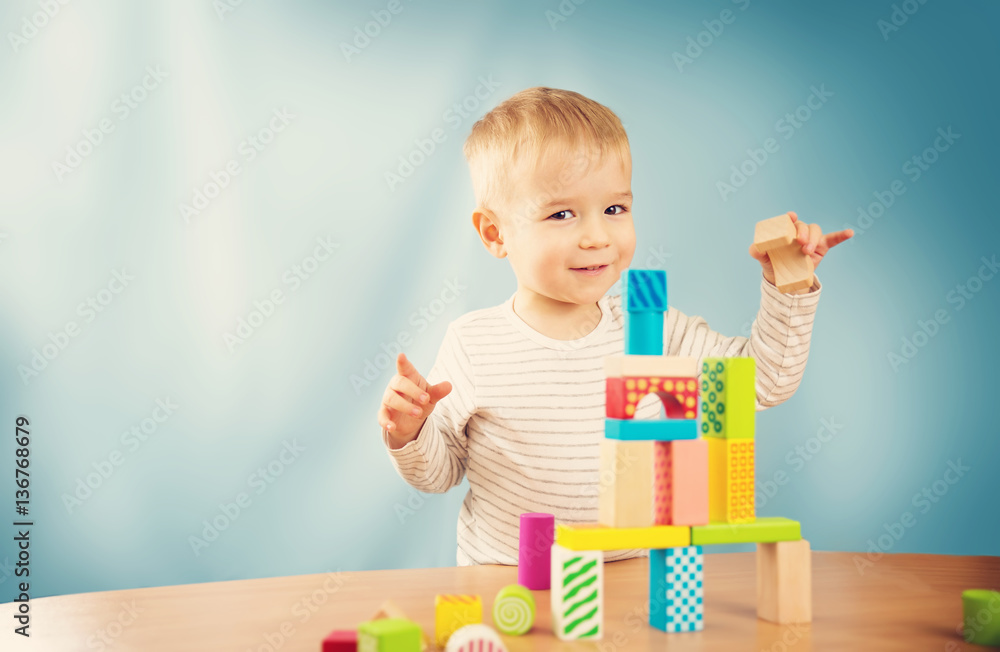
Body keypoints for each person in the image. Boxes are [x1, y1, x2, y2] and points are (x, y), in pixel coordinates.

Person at [377, 87, 852, 565]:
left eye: (615, 209)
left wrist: (788, 284)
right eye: (561, 214)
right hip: (511, 583)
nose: (598, 237)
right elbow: (438, 475)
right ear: (495, 233)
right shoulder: (474, 343)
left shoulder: (655, 331)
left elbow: (764, 382)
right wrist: (411, 433)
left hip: (633, 577)